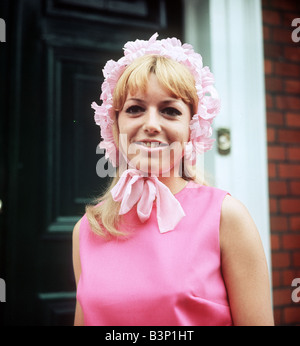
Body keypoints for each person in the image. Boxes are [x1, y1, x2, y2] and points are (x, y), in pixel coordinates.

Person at [72, 33, 274, 326]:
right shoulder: (86, 231)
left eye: (169, 111)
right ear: (114, 124)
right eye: (135, 109)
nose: (151, 125)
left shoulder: (225, 217)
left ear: (192, 128)